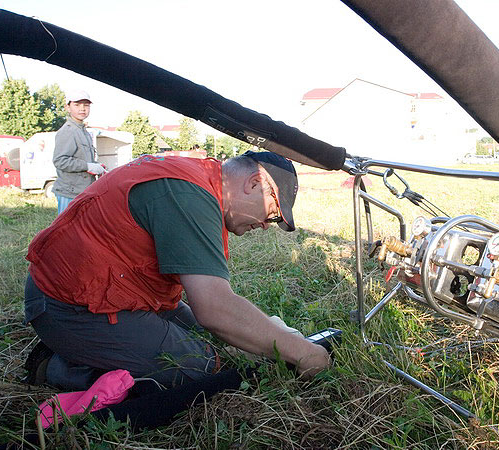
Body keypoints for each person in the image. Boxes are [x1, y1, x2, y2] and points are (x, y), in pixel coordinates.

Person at [24, 150, 330, 391]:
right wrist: (304, 353)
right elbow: (215, 309)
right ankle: (58, 365)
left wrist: (281, 338)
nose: (265, 225)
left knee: (223, 344)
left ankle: (100, 349)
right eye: (273, 215)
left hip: (121, 295)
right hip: (68, 305)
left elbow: (219, 313)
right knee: (199, 369)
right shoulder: (190, 194)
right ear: (255, 185)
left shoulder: (198, 181)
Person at [51, 89, 106, 214]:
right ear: (67, 107)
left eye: (86, 105)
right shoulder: (68, 131)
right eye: (77, 105)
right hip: (69, 193)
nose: (82, 109)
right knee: (67, 231)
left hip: (82, 191)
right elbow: (60, 161)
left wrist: (96, 166)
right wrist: (87, 166)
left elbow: (82, 158)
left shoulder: (83, 130)